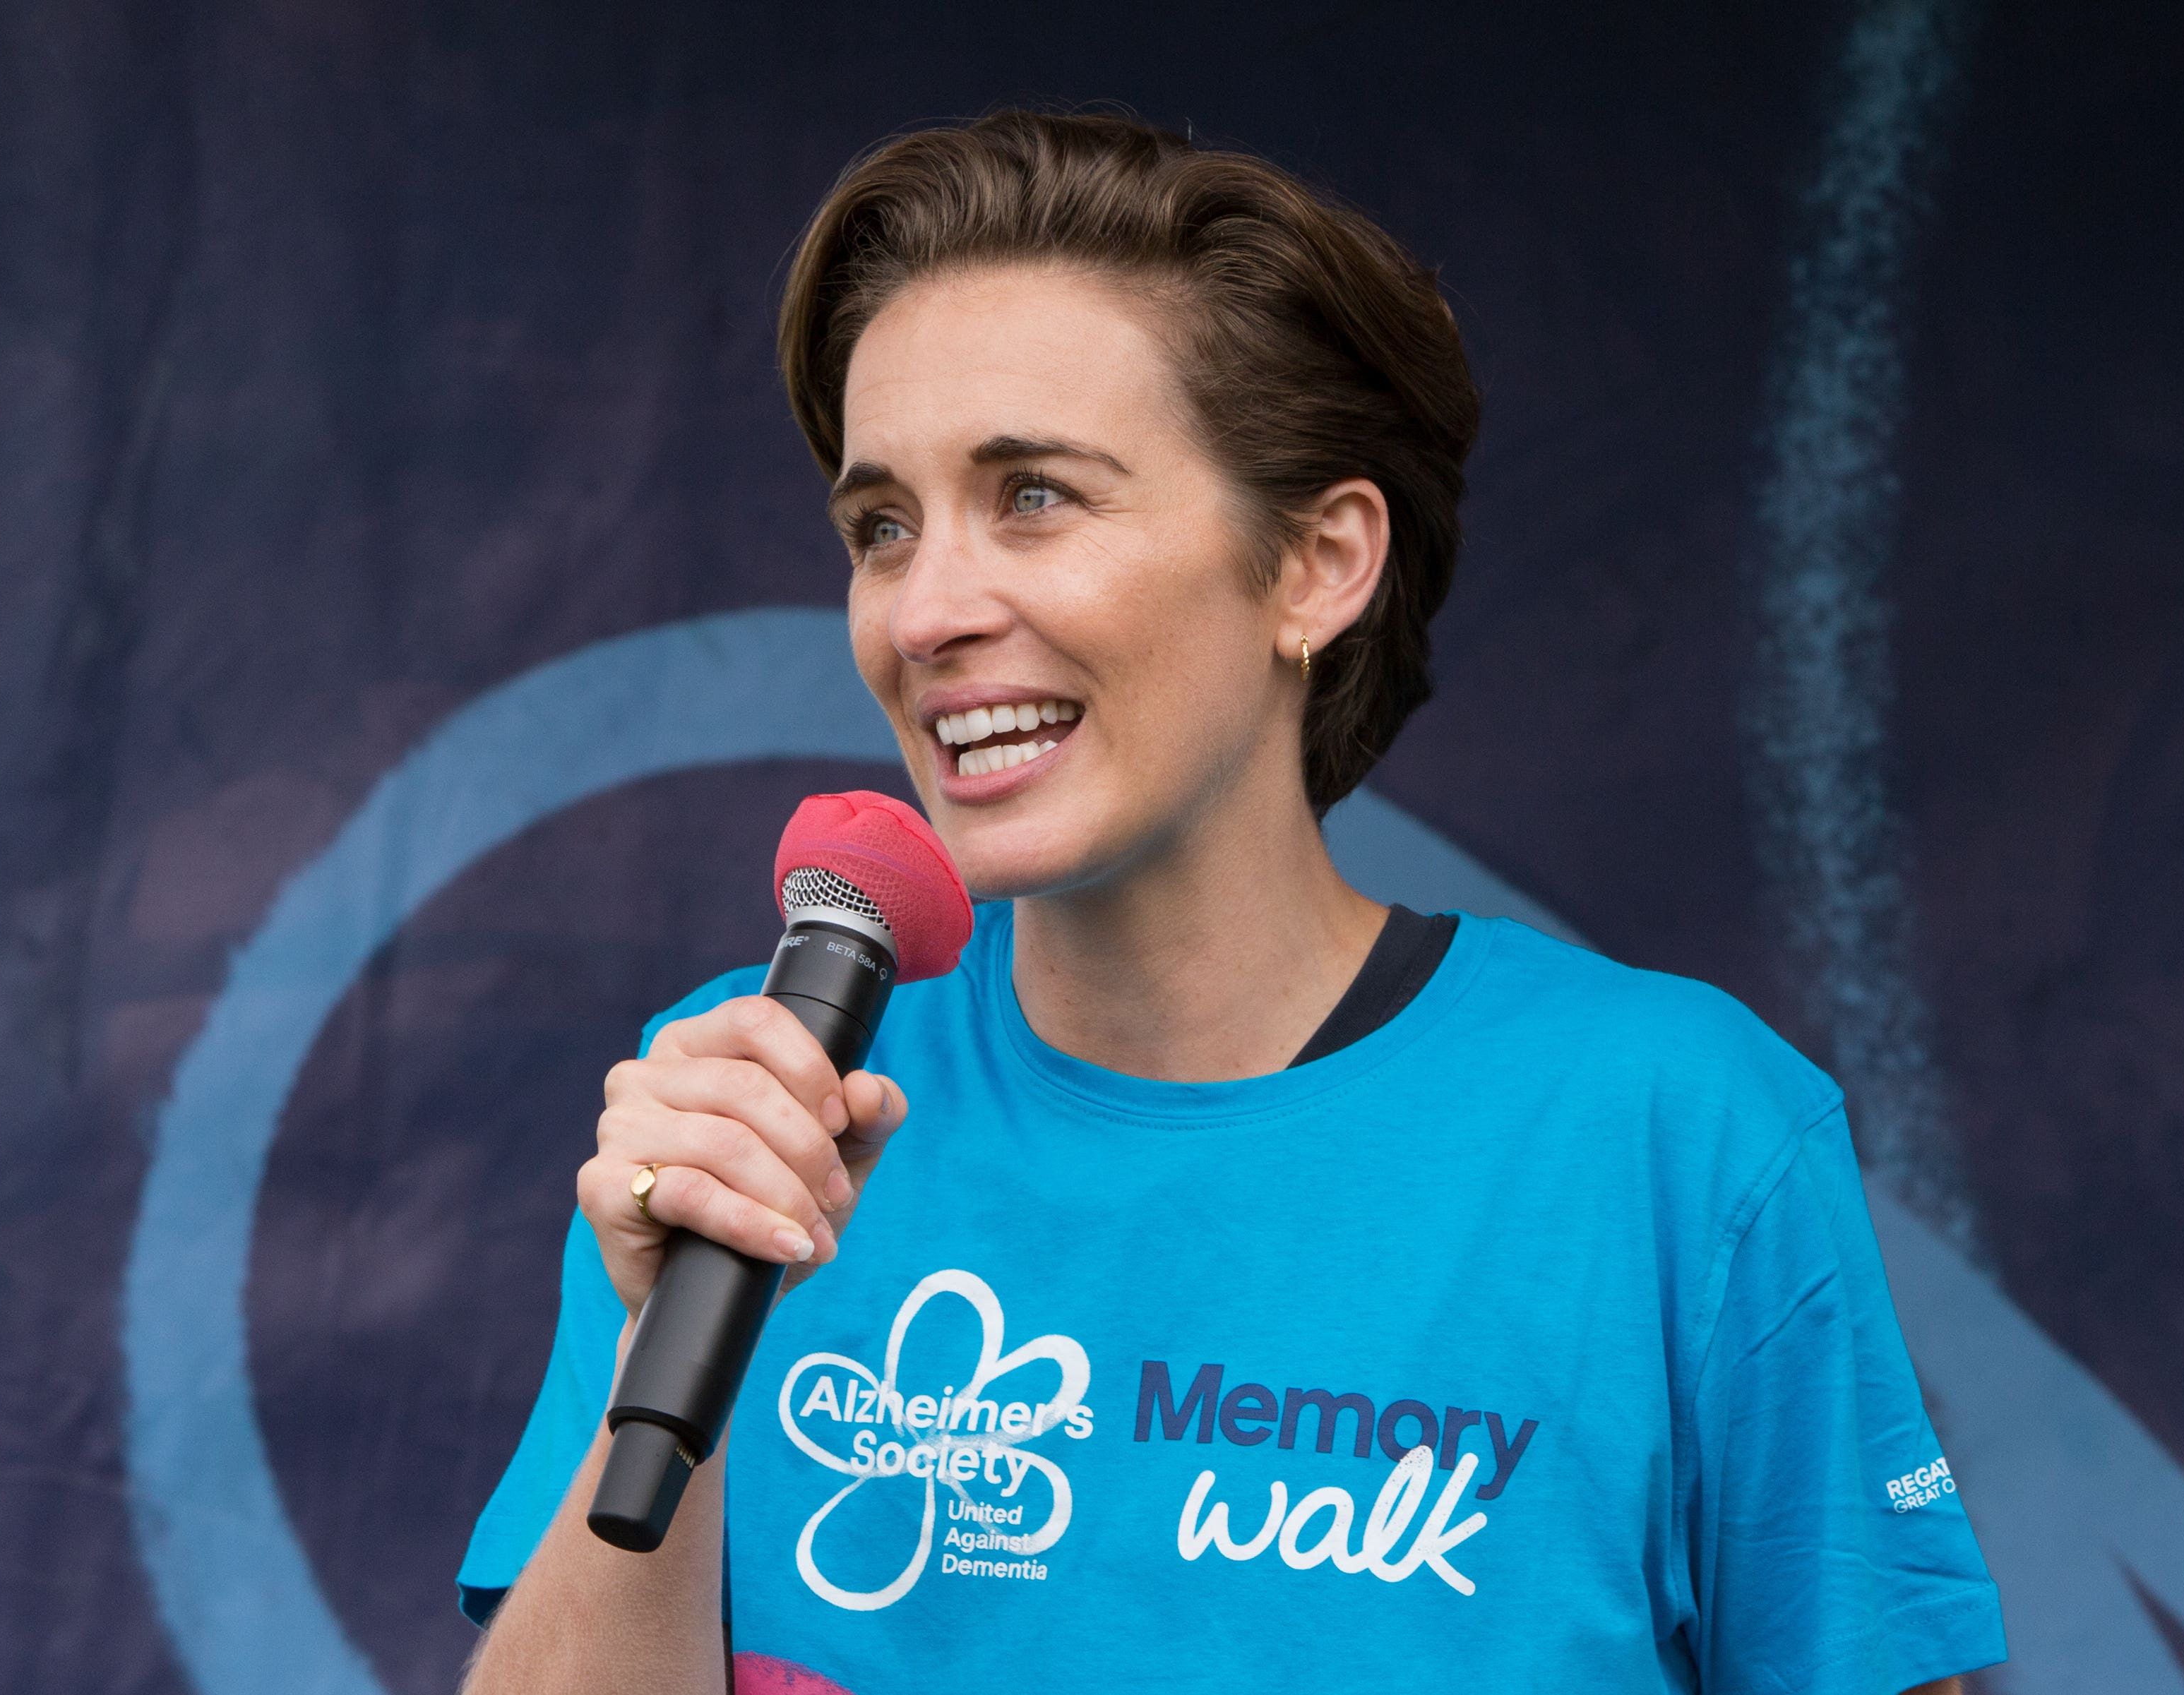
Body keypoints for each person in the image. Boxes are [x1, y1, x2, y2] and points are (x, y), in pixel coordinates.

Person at [455, 110, 2005, 1694]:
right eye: (880, 527)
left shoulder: (1676, 1130)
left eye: (1037, 495)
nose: (924, 610)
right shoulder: (749, 1100)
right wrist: (672, 1372)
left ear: (1317, 564)